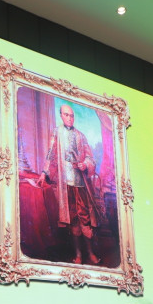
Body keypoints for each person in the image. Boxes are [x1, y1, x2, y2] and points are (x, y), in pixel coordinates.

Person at [41, 104, 101, 265]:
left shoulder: (81, 136)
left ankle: (90, 253)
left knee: (85, 219)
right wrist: (44, 173)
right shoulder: (56, 133)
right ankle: (78, 254)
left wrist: (85, 165)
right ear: (61, 115)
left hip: (81, 184)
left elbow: (90, 158)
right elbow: (50, 154)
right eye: (66, 115)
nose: (69, 118)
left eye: (72, 115)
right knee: (73, 219)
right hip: (65, 184)